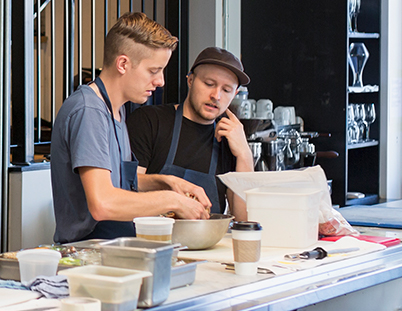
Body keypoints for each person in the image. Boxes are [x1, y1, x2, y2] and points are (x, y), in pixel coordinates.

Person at [51, 12, 211, 244]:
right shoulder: (89, 111)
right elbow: (102, 204)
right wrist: (173, 201)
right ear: (123, 64)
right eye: (154, 71)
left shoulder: (117, 109)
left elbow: (118, 179)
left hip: (115, 246)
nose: (161, 81)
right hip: (90, 252)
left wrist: (167, 181)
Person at [127, 47, 254, 221]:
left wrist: (244, 155)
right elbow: (128, 186)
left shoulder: (229, 141)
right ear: (191, 80)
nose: (216, 95)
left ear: (235, 94)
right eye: (209, 84)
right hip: (152, 241)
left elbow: (243, 220)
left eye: (226, 90)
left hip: (206, 244)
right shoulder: (150, 121)